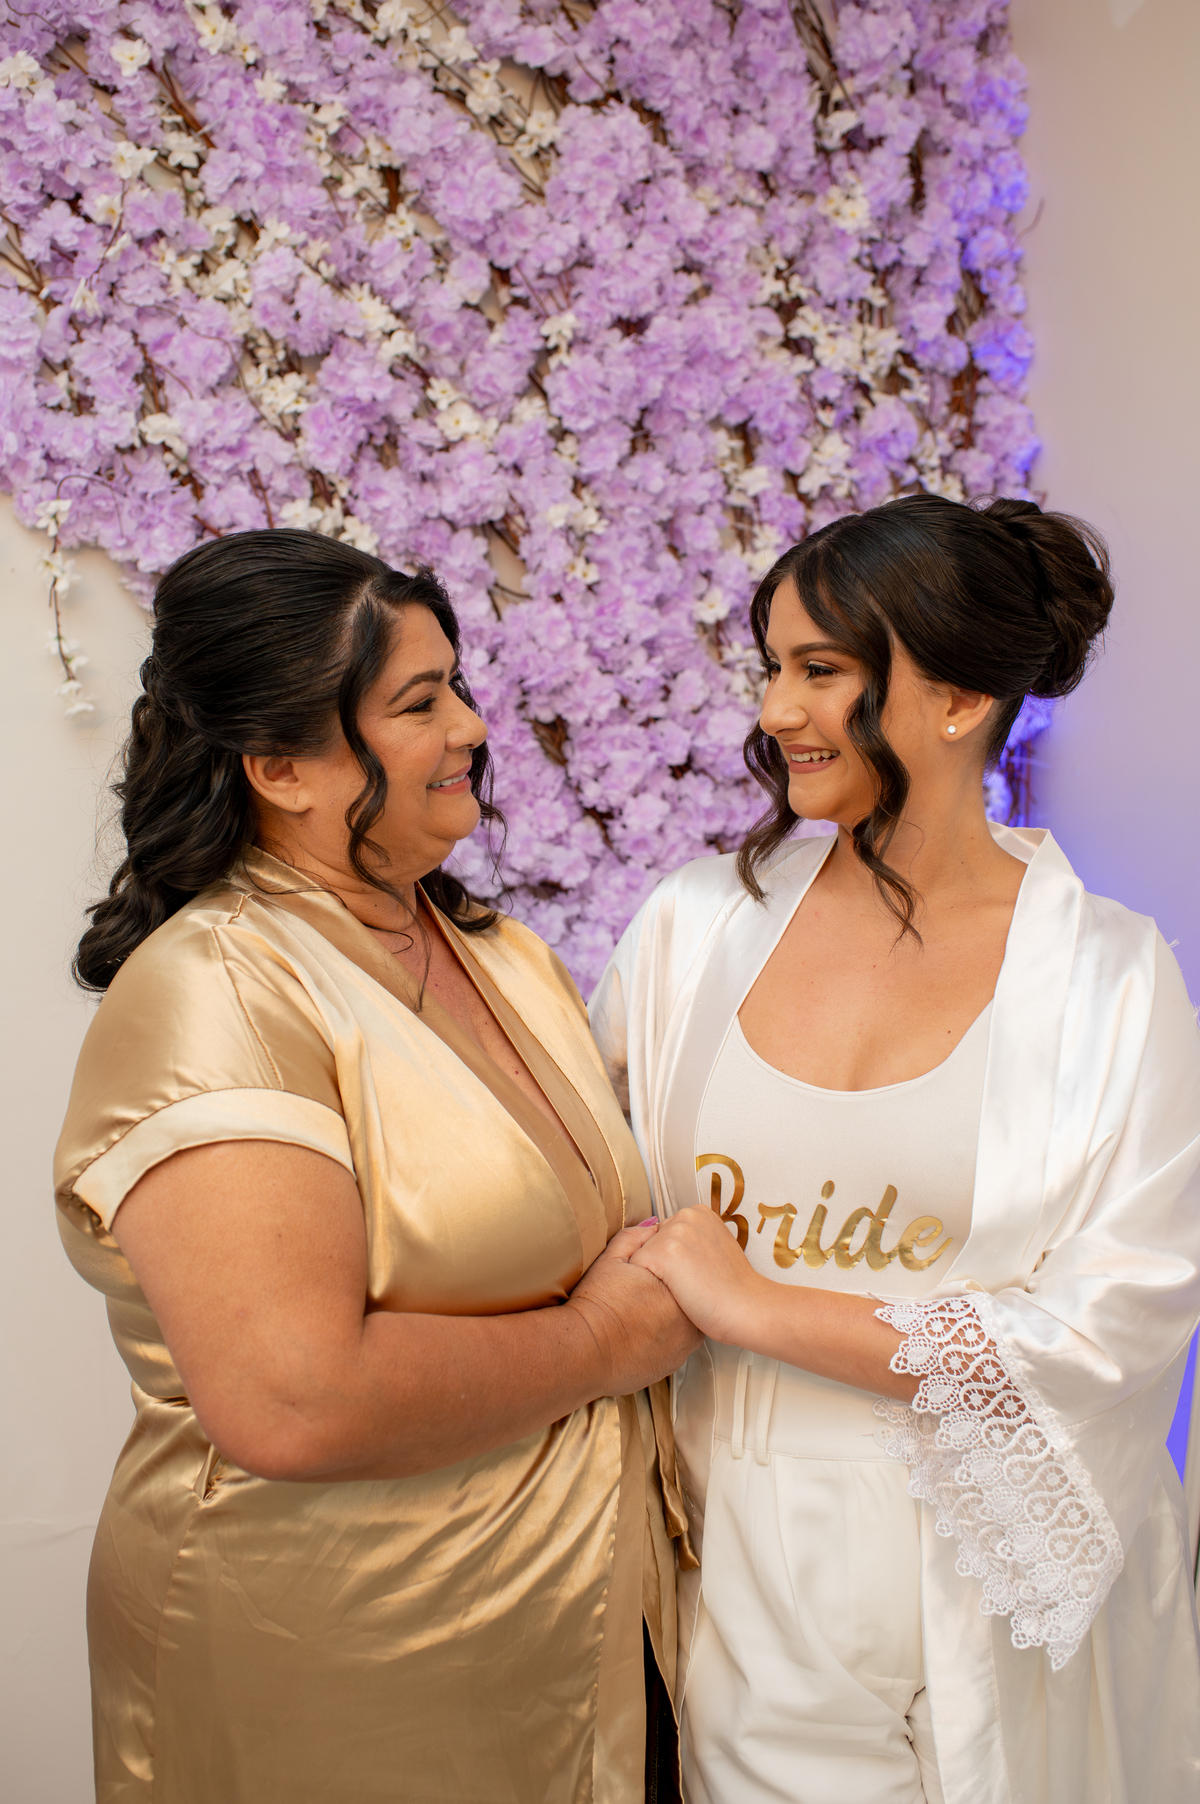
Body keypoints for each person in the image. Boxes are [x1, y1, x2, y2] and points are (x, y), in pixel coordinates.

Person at [54, 529, 700, 1804]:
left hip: (583, 1635)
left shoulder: (501, 953)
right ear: (281, 767)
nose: (470, 727)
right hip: (347, 1666)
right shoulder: (216, 990)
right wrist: (601, 1343)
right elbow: (293, 1398)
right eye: (418, 703)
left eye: (456, 686)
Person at [589, 494, 1200, 1804]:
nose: (777, 711)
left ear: (963, 698)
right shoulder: (690, 930)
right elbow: (578, 1190)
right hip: (739, 1545)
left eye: (822, 670)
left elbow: (1119, 1321)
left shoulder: (1110, 978)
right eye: (772, 667)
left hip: (1003, 1566)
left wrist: (758, 1304)